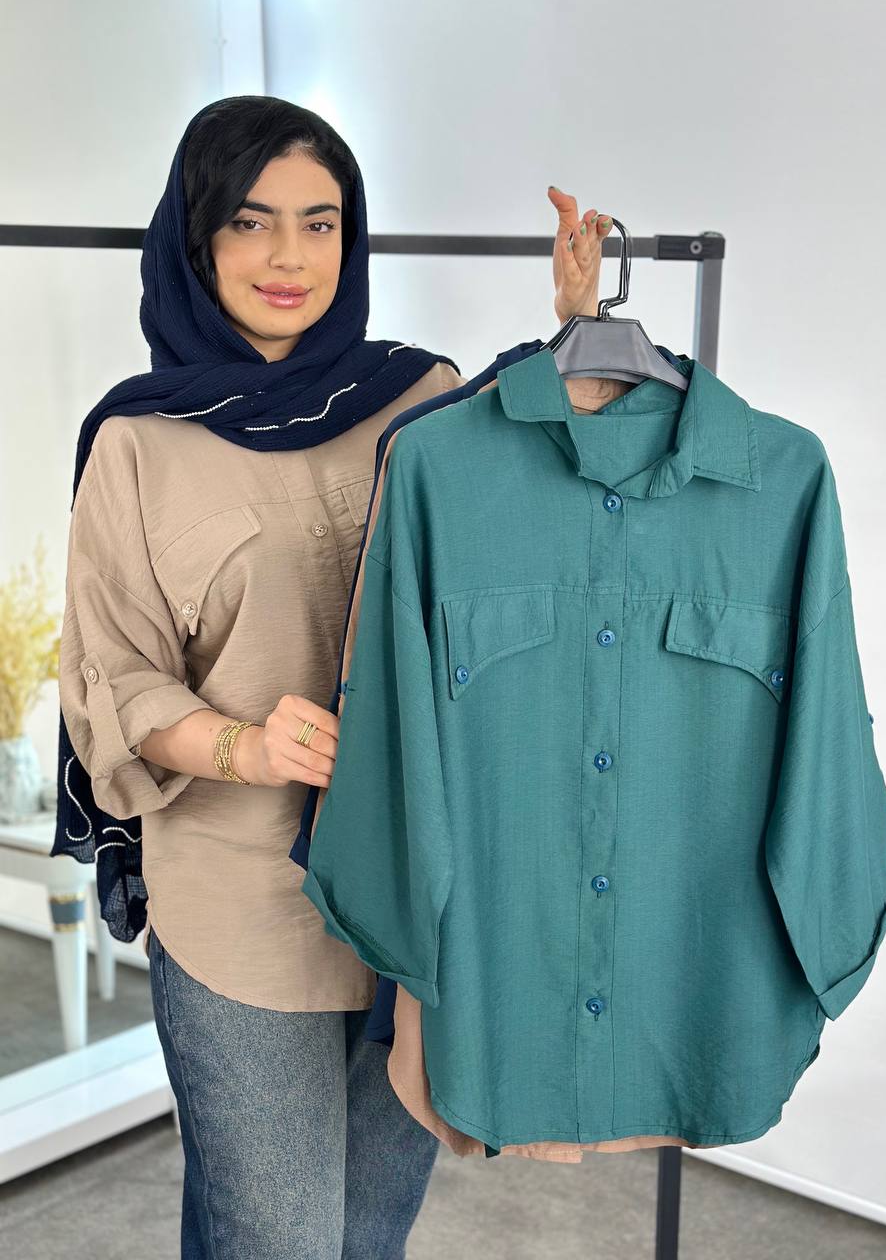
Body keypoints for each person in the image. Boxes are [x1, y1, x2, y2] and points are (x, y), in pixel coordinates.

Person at [56, 95, 613, 1259]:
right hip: (240, 910)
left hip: (409, 897)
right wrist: (242, 744)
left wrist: (576, 327)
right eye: (252, 221)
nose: (290, 257)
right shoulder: (136, 444)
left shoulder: (416, 396)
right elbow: (118, 678)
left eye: (321, 223)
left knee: (368, 1234)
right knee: (282, 1239)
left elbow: (534, 489)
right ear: (197, 236)